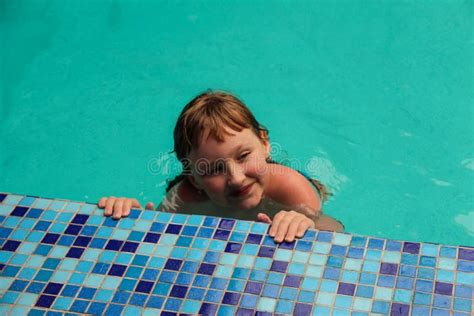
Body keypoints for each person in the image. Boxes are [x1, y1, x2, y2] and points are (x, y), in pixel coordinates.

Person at [98, 91, 343, 243]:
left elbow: (336, 233)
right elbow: (156, 237)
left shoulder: (290, 188)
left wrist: (306, 224)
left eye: (244, 155)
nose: (236, 179)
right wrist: (130, 216)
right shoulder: (185, 197)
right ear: (194, 179)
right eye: (213, 169)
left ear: (265, 143)